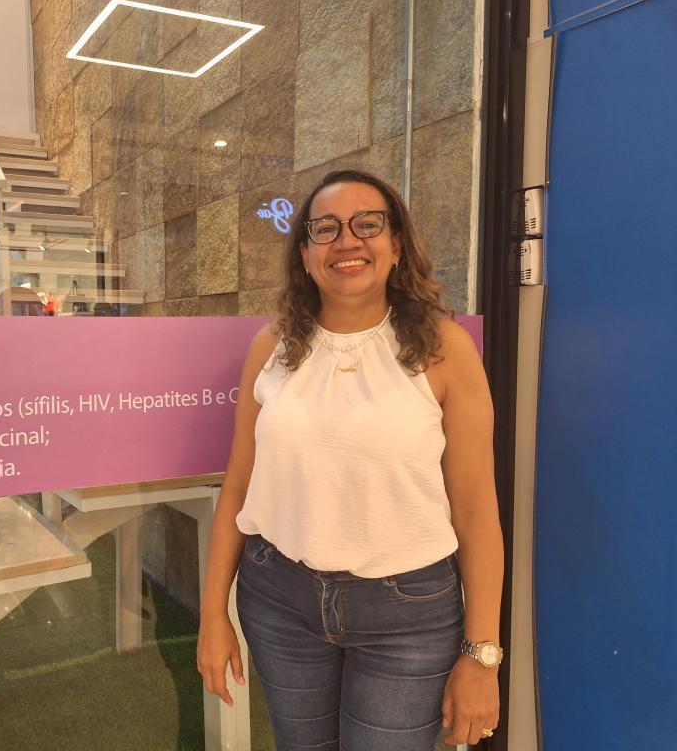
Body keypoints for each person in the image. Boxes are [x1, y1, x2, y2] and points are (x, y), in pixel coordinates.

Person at [196, 170, 504, 750]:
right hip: (279, 599)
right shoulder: (271, 348)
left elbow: (475, 511)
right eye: (326, 228)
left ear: (396, 245)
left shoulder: (446, 351)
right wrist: (214, 613)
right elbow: (238, 486)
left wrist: (482, 653)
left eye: (368, 224)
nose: (347, 241)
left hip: (408, 615)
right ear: (305, 254)